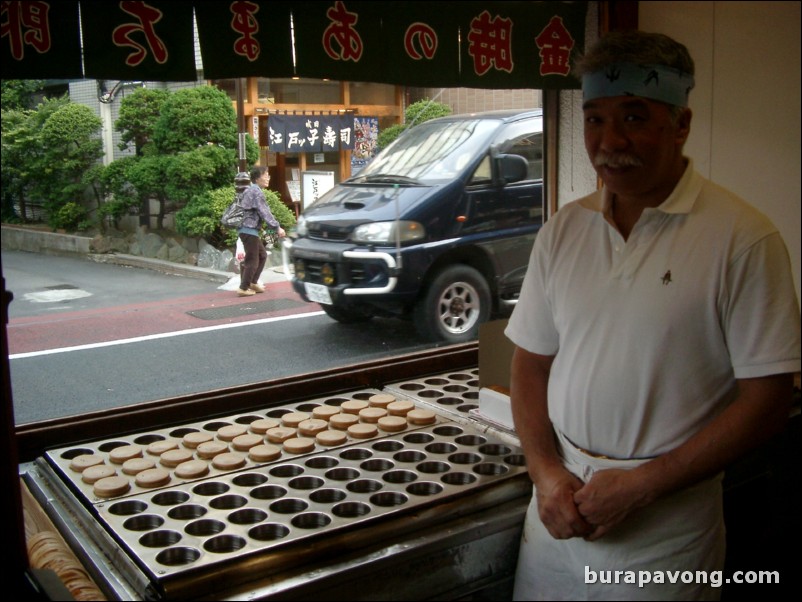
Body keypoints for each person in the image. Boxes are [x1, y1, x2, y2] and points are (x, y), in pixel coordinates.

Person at [505, 30, 800, 600]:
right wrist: (545, 474)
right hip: (556, 523)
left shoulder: (741, 237)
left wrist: (642, 487)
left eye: (634, 117)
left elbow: (768, 402)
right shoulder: (564, 230)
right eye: (594, 119)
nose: (609, 141)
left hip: (665, 531)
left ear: (681, 125)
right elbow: (530, 367)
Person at [235, 167, 286, 297]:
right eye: (266, 175)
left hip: (249, 230)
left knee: (262, 255)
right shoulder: (256, 192)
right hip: (249, 230)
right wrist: (277, 228)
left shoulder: (252, 190)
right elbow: (265, 212)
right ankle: (243, 287)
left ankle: (252, 282)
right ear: (257, 178)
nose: (268, 177)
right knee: (253, 259)